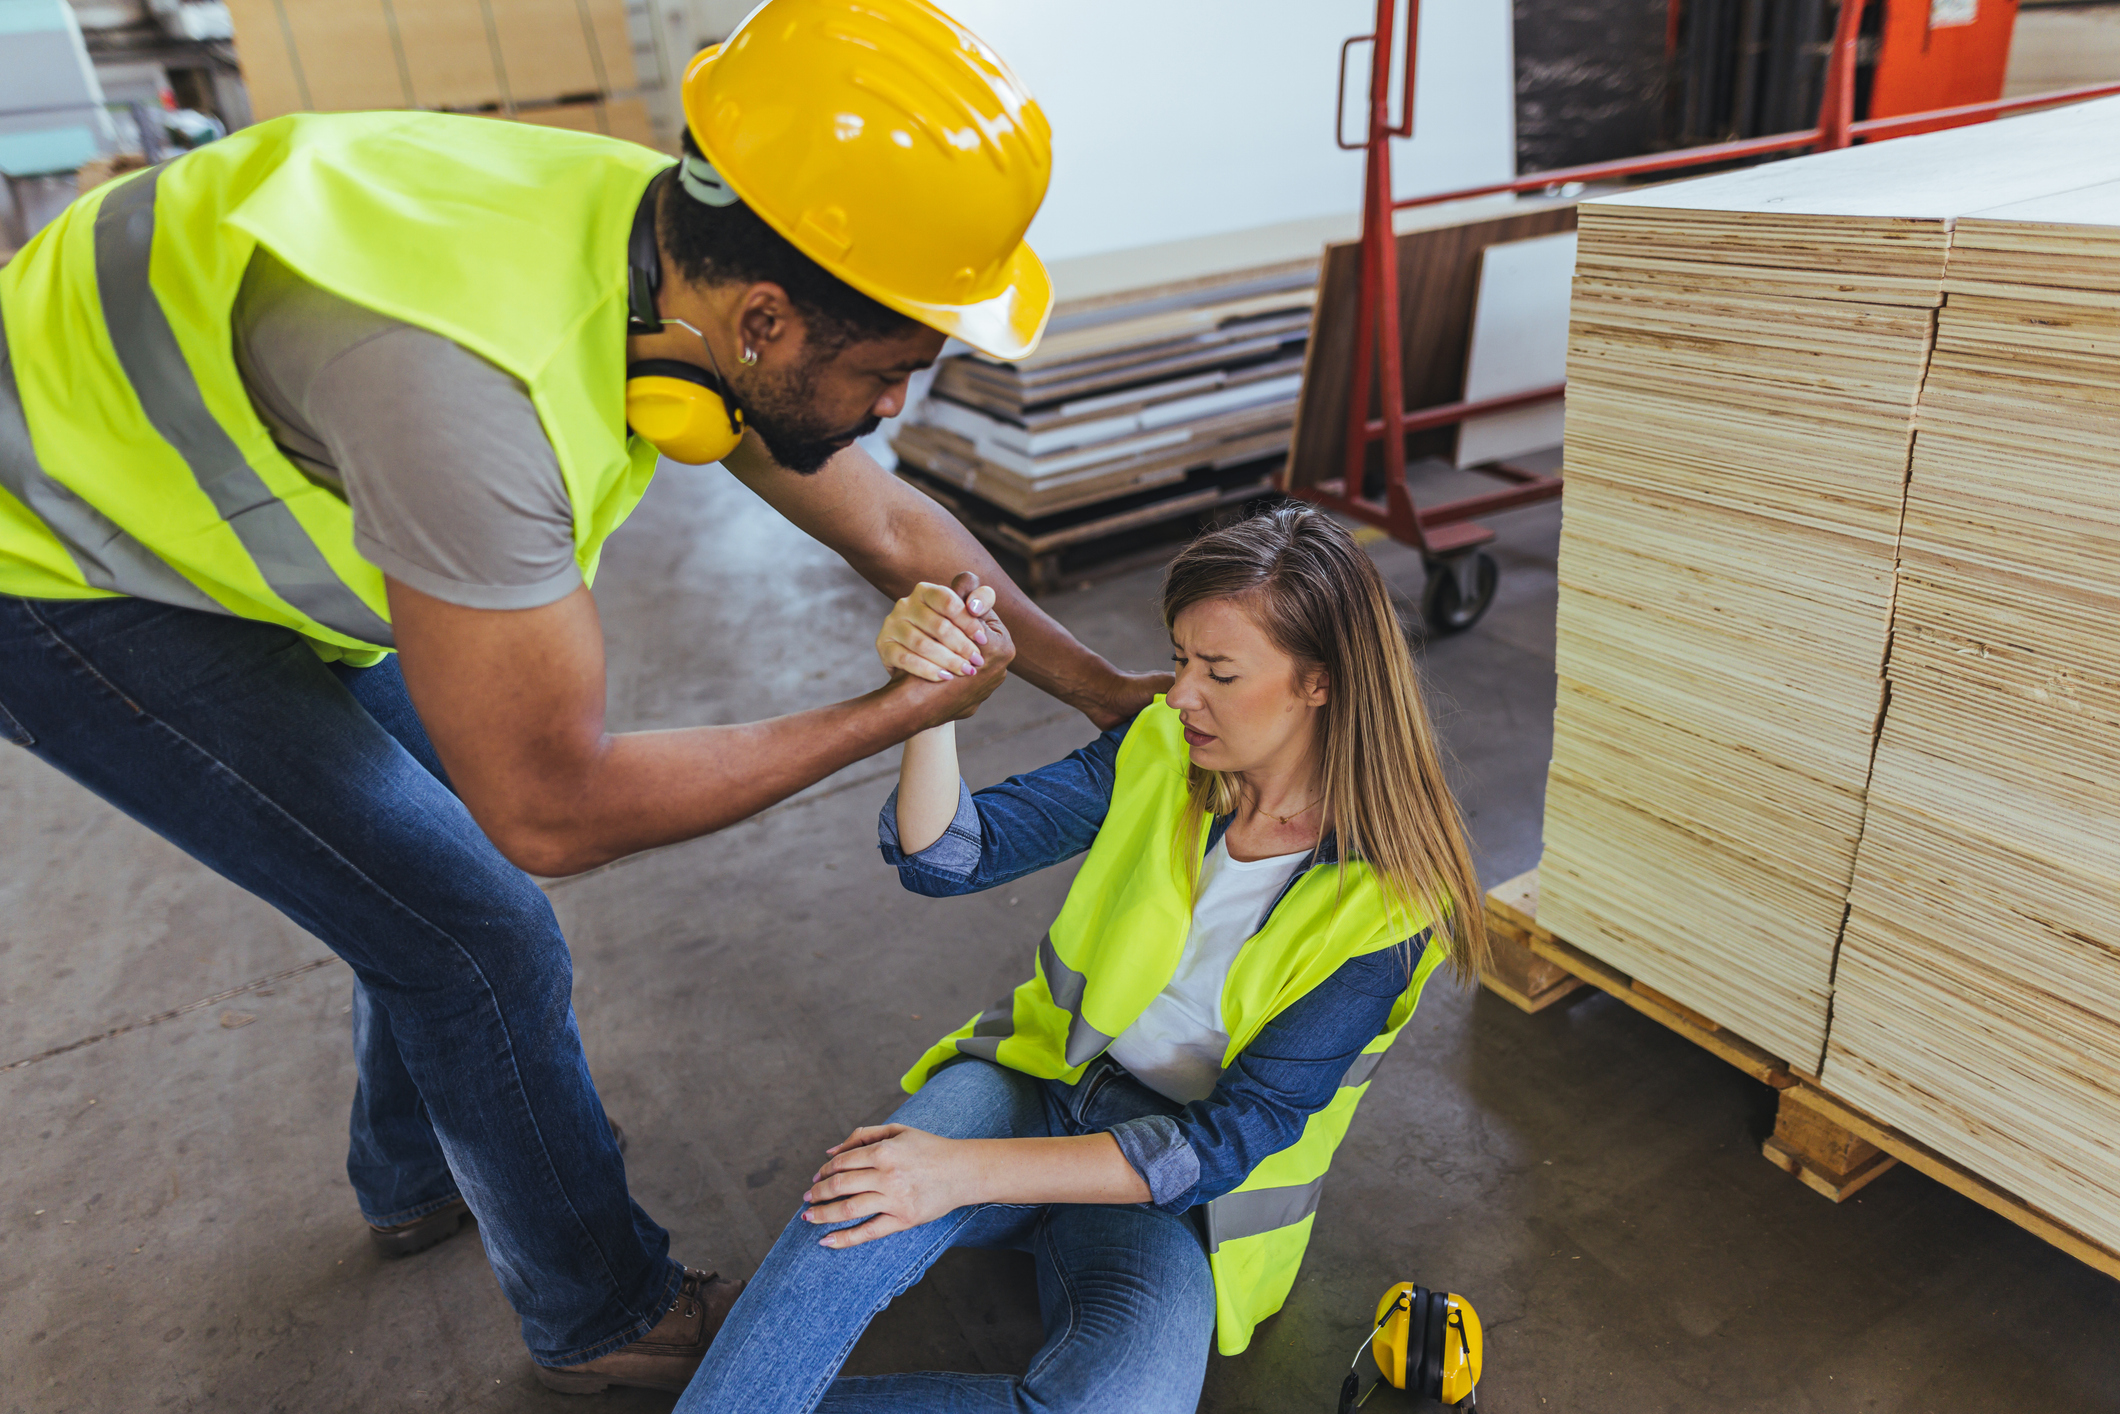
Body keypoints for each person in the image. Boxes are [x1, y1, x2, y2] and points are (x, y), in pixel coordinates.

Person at [0, 0, 1162, 1395]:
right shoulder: (468, 396)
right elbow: (551, 805)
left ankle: (407, 1170)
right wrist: (894, 718)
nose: (892, 415)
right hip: (67, 566)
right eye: (887, 377)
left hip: (234, 486)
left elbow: (898, 530)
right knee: (479, 927)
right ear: (767, 322)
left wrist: (1103, 689)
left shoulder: (669, 260)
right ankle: (599, 1308)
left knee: (415, 878)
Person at [678, 504, 1490, 1413]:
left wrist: (953, 1172)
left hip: (1167, 1198)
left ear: (1322, 684)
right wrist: (929, 697)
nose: (1180, 693)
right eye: (1181, 658)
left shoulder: (1393, 906)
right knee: (850, 1211)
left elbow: (1222, 1144)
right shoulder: (1160, 751)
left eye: (1219, 671)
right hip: (1035, 1081)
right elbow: (945, 858)